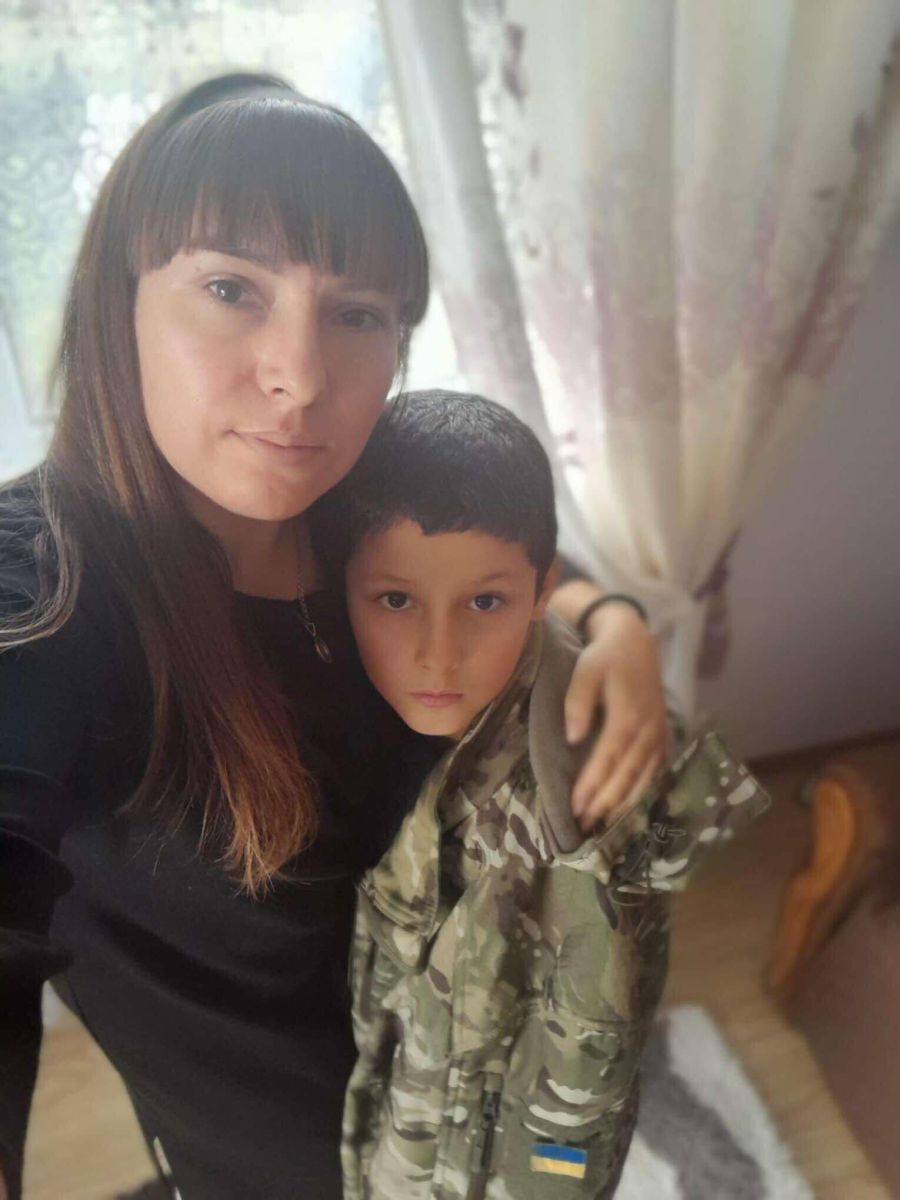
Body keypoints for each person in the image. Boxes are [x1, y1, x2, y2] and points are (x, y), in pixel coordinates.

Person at [0, 75, 669, 1200]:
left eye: (357, 314)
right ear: (119, 304)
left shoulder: (358, 492)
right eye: (231, 289)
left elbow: (501, 542)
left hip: (487, 1093)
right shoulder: (49, 589)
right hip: (293, 1165)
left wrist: (613, 621)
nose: (300, 381)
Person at [324, 391, 769, 1199]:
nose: (438, 654)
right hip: (383, 1118)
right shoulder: (335, 706)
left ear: (540, 592)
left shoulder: (595, 781)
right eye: (395, 600)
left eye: (484, 603)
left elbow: (588, 1074)